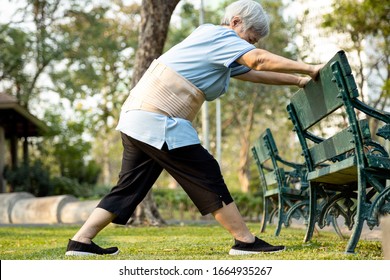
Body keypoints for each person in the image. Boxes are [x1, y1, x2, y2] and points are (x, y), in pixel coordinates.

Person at [65, 0, 323, 256]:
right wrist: (310, 67)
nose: (249, 46)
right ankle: (245, 241)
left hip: (139, 117)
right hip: (157, 119)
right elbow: (258, 62)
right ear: (235, 22)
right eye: (250, 39)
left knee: (129, 186)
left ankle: (81, 241)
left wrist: (299, 79)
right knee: (205, 172)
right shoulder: (219, 36)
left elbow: (254, 72)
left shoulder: (214, 42)